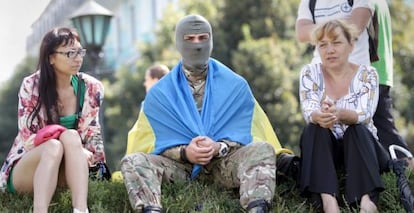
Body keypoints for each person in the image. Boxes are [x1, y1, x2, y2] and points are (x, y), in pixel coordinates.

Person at [121, 14, 292, 213]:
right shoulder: (160, 94)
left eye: (203, 38)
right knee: (133, 161)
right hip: (179, 169)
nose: (197, 45)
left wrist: (218, 147)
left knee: (262, 148)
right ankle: (151, 209)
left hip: (224, 165)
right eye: (190, 39)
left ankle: (257, 208)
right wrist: (185, 153)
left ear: (211, 41)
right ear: (179, 42)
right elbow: (152, 143)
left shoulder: (235, 85)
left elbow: (248, 134)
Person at [0, 27, 106, 213]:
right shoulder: (31, 86)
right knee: (55, 146)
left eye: (79, 51)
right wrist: (63, 135)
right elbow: (28, 138)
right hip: (28, 168)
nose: (78, 58)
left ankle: (80, 209)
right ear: (51, 58)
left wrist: (99, 169)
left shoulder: (92, 88)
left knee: (72, 136)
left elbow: (93, 134)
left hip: (69, 168)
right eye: (69, 53)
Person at [298, 20, 389, 213]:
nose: (329, 49)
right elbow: (309, 109)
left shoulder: (368, 74)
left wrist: (340, 114)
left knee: (357, 129)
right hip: (327, 149)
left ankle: (367, 202)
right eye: (323, 45)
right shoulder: (309, 72)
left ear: (351, 45)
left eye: (336, 42)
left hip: (363, 148)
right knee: (313, 128)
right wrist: (319, 115)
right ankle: (328, 202)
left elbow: (364, 114)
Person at [371, 0, 413, 166]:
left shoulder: (363, 4)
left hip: (370, 73)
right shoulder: (380, 2)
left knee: (387, 134)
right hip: (382, 73)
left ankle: (409, 172)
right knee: (385, 131)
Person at [295, 0, 374, 66]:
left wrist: (318, 31)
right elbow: (302, 33)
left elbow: (356, 26)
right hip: (320, 73)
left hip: (356, 71)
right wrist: (340, 27)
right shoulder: (309, 1)